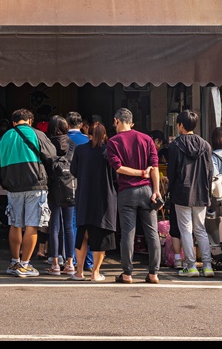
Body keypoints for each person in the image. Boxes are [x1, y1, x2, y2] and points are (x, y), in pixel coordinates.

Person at [0, 108, 56, 278]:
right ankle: (25, 264)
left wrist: (6, 183)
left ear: (14, 122)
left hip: (13, 187)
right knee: (32, 224)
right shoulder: (37, 134)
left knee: (15, 223)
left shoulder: (4, 137)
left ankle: (14, 261)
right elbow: (51, 156)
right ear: (30, 121)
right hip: (35, 185)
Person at [106, 107, 162, 284]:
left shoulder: (113, 142)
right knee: (152, 233)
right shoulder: (146, 139)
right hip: (147, 191)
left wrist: (138, 173)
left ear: (116, 120)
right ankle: (153, 273)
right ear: (131, 123)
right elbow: (154, 167)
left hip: (127, 192)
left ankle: (127, 274)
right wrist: (156, 190)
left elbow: (118, 168)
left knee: (128, 234)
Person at [166, 110, 214, 278]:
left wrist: (169, 190)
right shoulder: (205, 145)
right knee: (200, 229)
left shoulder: (175, 145)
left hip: (181, 192)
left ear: (180, 125)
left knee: (185, 230)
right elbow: (210, 171)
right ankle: (207, 266)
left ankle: (191, 266)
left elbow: (172, 172)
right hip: (201, 192)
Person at [70, 121, 116, 281]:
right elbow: (116, 175)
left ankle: (79, 272)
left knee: (83, 234)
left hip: (84, 196)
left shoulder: (81, 150)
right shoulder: (108, 151)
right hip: (104, 199)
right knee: (100, 235)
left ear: (88, 133)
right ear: (105, 135)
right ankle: (95, 273)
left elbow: (73, 171)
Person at [45, 115, 77, 276]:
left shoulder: (47, 143)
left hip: (53, 187)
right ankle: (70, 263)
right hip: (70, 187)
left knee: (54, 226)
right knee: (69, 226)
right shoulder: (72, 144)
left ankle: (55, 264)